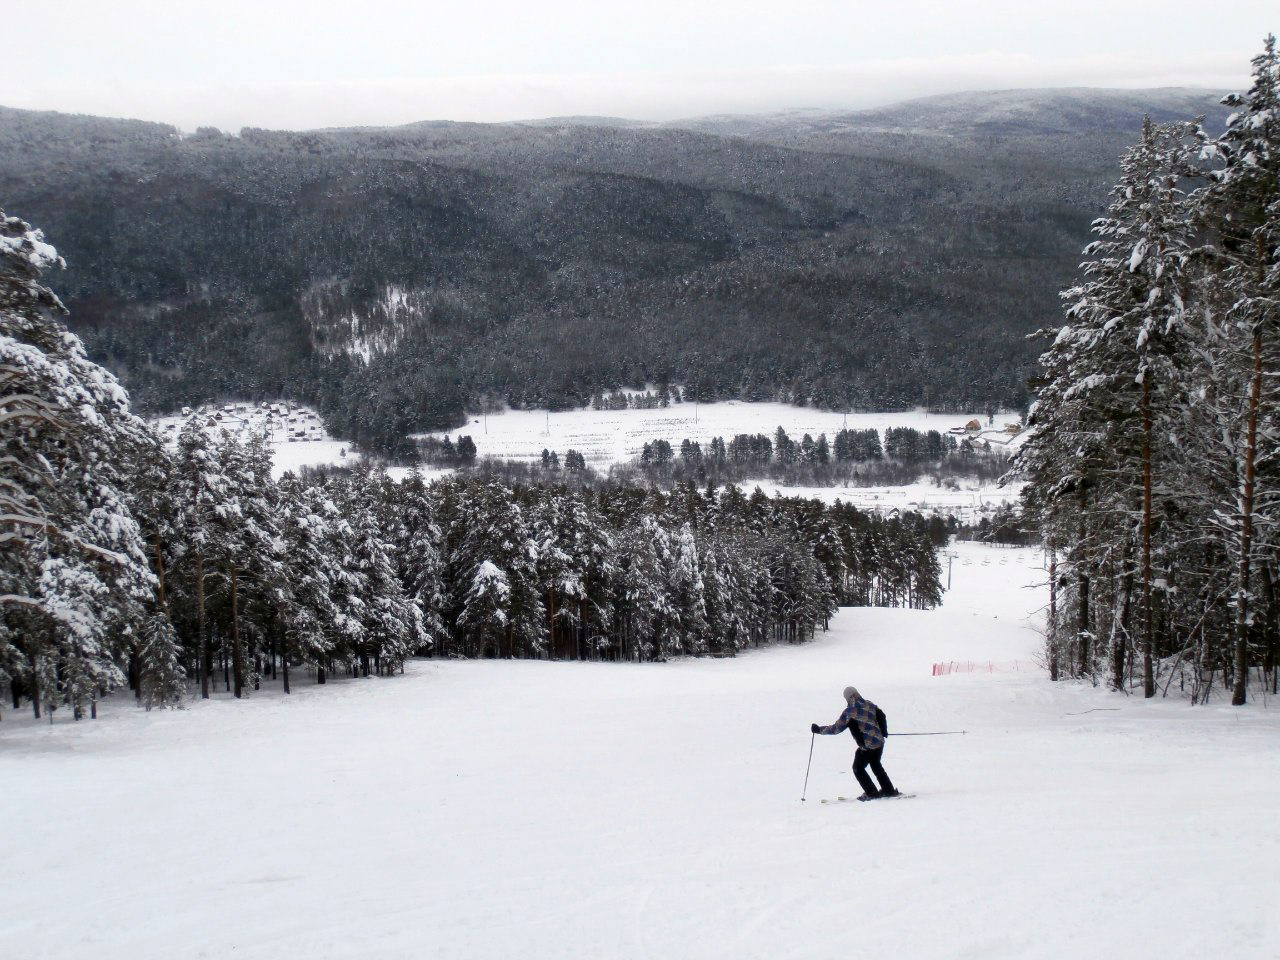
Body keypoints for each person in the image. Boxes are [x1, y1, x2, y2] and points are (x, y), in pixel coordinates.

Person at [811, 686, 899, 801]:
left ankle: (872, 793)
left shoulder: (849, 712)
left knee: (858, 768)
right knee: (876, 765)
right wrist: (883, 731)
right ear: (857, 693)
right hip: (879, 743)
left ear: (848, 698)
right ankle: (888, 790)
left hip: (866, 746)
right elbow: (881, 715)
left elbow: (836, 729)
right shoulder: (869, 704)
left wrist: (819, 730)